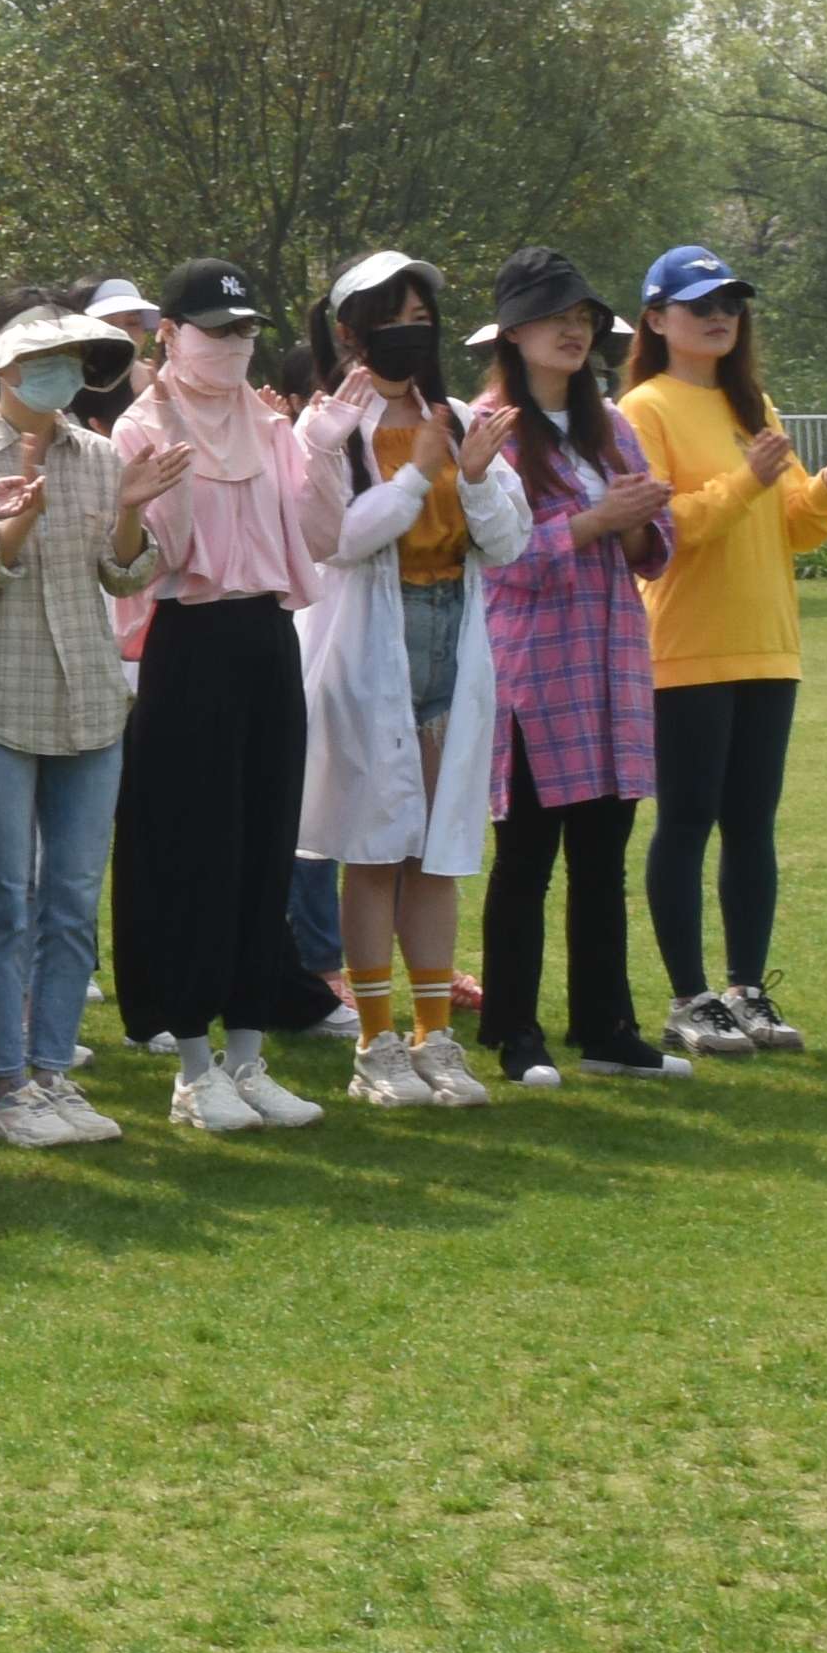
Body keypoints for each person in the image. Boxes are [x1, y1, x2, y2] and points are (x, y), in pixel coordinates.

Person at [614, 250, 827, 1057]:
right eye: (701, 304)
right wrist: (744, 480)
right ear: (657, 319)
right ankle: (689, 999)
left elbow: (795, 526)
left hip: (769, 646)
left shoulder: (754, 404)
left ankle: (746, 991)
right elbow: (662, 531)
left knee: (751, 825)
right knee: (687, 822)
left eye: (731, 305)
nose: (721, 317)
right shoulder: (643, 408)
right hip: (687, 647)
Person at [294, 250, 532, 1108]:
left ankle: (435, 1034)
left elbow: (508, 541)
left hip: (450, 645)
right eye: (391, 320)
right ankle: (376, 1040)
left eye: (420, 320)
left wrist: (473, 477)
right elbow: (336, 539)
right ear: (350, 331)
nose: (409, 335)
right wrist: (418, 472)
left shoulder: (459, 418)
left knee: (436, 852)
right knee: (374, 849)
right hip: (368, 652)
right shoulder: (330, 426)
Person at [110, 264, 341, 1132]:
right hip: (189, 646)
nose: (235, 345)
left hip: (267, 640)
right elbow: (145, 565)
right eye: (216, 330)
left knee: (263, 845)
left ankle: (248, 1056)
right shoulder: (141, 427)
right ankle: (193, 1065)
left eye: (244, 330)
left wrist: (324, 449)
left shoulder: (270, 424)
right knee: (193, 851)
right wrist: (144, 498)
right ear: (169, 334)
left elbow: (320, 536)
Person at [0, 297, 149, 1151]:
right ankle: (5, 1084)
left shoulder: (99, 454)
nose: (61, 374)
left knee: (73, 900)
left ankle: (53, 1072)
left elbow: (124, 576)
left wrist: (131, 511)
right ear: (5, 369)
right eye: (45, 359)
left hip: (90, 699)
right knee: (1, 898)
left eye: (73, 359)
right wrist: (17, 514)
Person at [454, 251, 679, 1085]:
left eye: (584, 318)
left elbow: (652, 547)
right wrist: (596, 520)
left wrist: (634, 520)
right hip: (530, 670)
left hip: (610, 667)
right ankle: (514, 1030)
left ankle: (606, 1027)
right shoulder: (487, 428)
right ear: (512, 333)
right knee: (525, 860)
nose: (575, 331)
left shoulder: (609, 425)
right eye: (556, 317)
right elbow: (496, 556)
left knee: (601, 859)